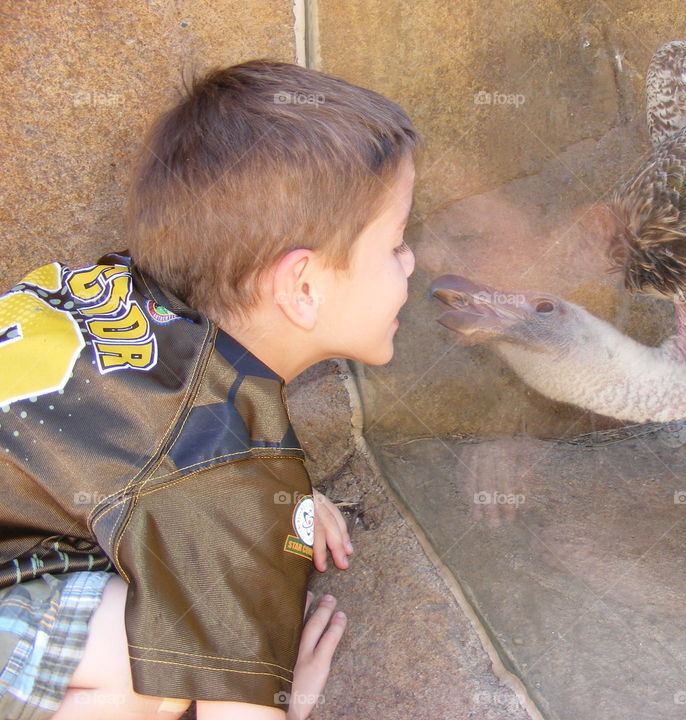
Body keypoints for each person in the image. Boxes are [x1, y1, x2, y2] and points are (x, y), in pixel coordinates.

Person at [0, 59, 419, 720]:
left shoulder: (126, 294)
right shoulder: (226, 469)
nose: (412, 263)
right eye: (397, 244)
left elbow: (136, 441)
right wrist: (281, 694)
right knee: (144, 668)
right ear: (303, 289)